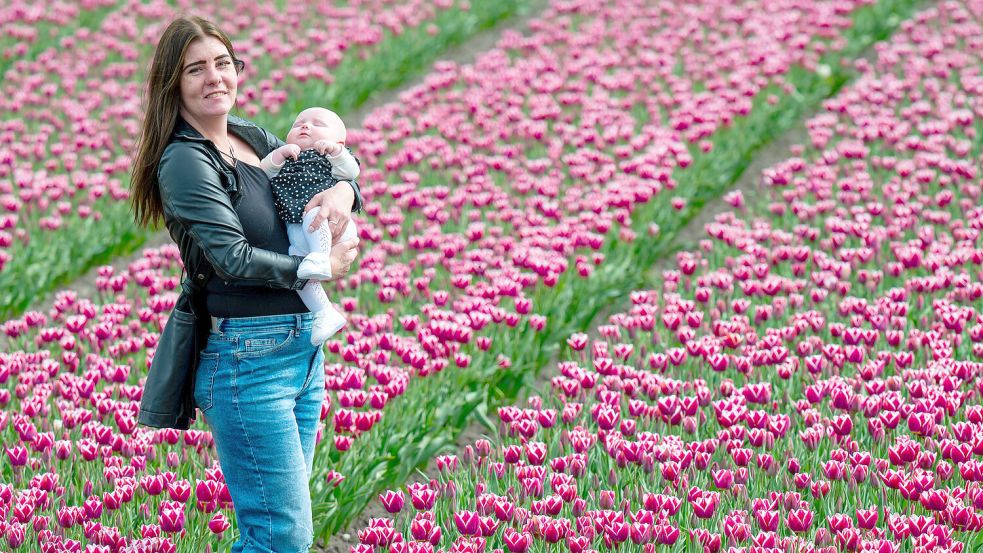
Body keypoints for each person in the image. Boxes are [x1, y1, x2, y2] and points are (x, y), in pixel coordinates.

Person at [129, 16, 361, 553]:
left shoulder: (249, 136)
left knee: (280, 533)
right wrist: (317, 269)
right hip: (245, 360)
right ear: (173, 84)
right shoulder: (185, 161)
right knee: (281, 538)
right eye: (195, 69)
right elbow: (231, 258)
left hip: (302, 351)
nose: (215, 78)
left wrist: (343, 197)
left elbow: (328, 172)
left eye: (222, 64)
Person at [260, 107, 360, 345]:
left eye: (318, 124)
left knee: (313, 213)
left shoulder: (331, 158)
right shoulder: (285, 159)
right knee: (298, 263)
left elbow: (352, 171)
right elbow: (260, 173)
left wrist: (336, 152)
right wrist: (278, 155)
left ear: (339, 141)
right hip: (298, 228)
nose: (305, 126)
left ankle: (320, 257)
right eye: (299, 123)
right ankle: (324, 313)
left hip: (328, 224)